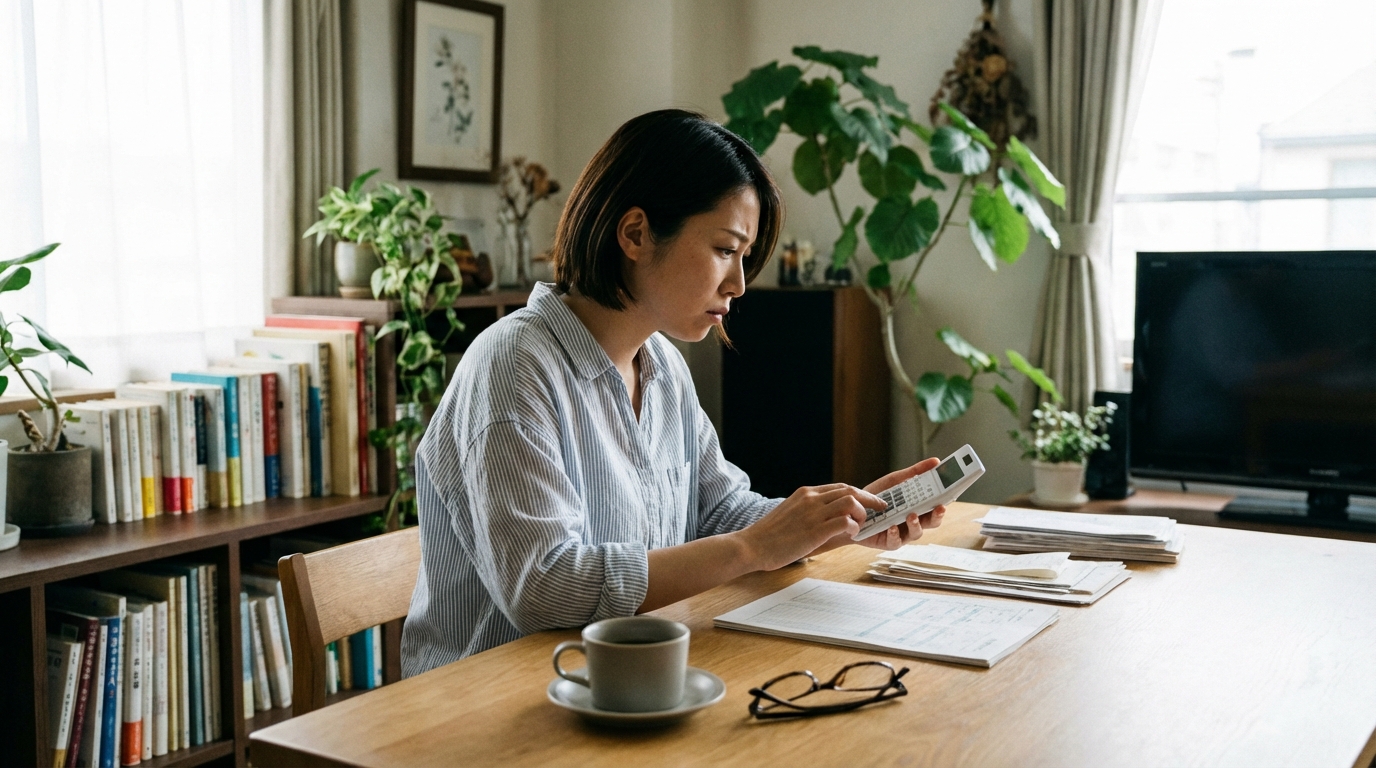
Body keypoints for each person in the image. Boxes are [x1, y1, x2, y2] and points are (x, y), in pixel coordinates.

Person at [401, 109, 946, 677]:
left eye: (744, 257)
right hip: (492, 701)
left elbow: (719, 513)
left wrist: (842, 520)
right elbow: (543, 588)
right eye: (724, 249)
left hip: (624, 676)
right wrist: (755, 547)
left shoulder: (662, 363)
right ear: (635, 233)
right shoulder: (513, 367)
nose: (738, 283)